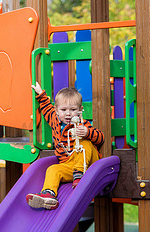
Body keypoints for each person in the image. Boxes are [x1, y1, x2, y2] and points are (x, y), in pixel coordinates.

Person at [26, 82, 104, 210]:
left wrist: (87, 132)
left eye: (73, 110)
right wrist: (40, 94)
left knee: (84, 142)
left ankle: (80, 175)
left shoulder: (82, 124)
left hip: (88, 164)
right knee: (53, 169)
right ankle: (49, 195)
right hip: (69, 166)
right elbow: (46, 107)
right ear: (57, 111)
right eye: (63, 110)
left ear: (80, 110)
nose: (68, 114)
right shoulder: (55, 121)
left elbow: (100, 138)